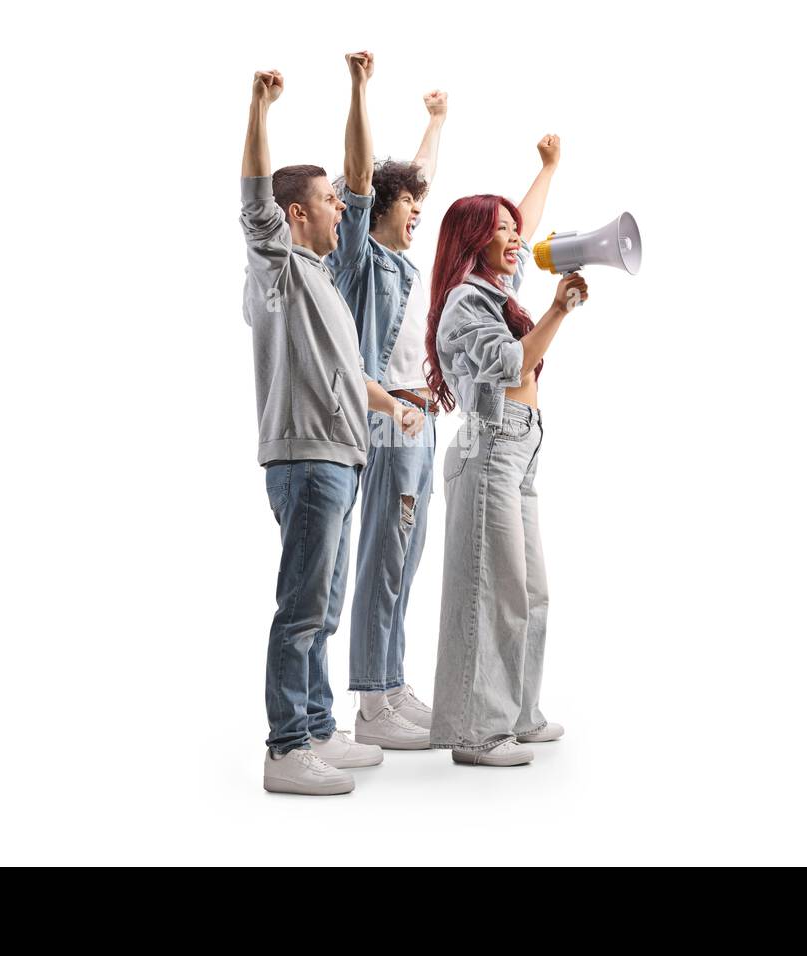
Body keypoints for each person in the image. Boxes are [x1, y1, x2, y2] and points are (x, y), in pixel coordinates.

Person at [240, 63, 424, 795]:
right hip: (306, 458)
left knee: (325, 602)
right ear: (295, 215)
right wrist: (259, 108)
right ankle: (287, 748)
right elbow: (255, 196)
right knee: (302, 607)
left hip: (338, 459)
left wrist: (395, 406)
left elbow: (349, 375)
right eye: (328, 203)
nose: (342, 211)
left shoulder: (321, 279)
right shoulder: (276, 265)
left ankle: (317, 725)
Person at [425, 135, 588, 767]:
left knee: (531, 589)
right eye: (500, 232)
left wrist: (548, 168)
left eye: (511, 230)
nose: (515, 238)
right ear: (475, 242)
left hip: (521, 449)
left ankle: (518, 713)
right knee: (494, 588)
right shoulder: (468, 301)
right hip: (491, 446)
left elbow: (526, 222)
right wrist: (559, 309)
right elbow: (517, 360)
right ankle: (476, 732)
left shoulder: (492, 283)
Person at [326, 53, 447, 750]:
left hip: (421, 420)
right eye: (408, 208)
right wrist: (360, 89)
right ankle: (373, 699)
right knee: (384, 554)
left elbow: (414, 180)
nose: (418, 217)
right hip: (389, 418)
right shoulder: (363, 260)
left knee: (408, 556)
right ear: (379, 211)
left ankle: (392, 683)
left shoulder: (403, 258)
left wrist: (435, 122)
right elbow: (369, 179)